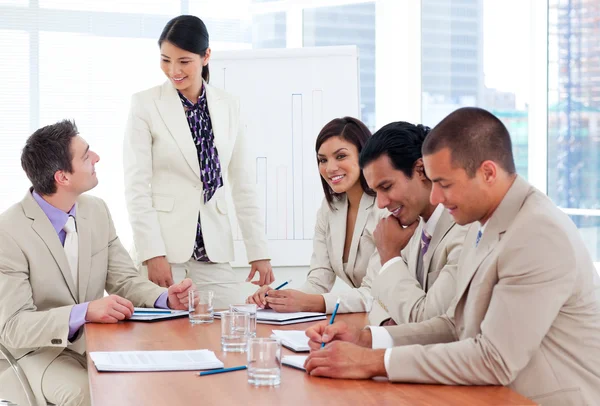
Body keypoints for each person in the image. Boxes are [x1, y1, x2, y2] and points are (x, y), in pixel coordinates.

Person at [303, 107, 600, 406]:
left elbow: (493, 358)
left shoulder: (537, 233)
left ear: (487, 173)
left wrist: (373, 362)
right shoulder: (484, 223)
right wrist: (366, 340)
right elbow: (453, 325)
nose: (435, 198)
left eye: (443, 184)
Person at [0, 120, 194, 406]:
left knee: (159, 380)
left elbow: (124, 279)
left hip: (98, 342)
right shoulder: (9, 230)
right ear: (62, 177)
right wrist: (84, 311)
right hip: (39, 353)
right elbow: (14, 327)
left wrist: (165, 297)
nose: (96, 158)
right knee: (92, 396)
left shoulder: (97, 210)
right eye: (86, 155)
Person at [123, 15, 273, 309]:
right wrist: (152, 254)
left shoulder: (229, 106)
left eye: (184, 61)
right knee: (163, 340)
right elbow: (135, 187)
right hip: (164, 251)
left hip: (212, 251)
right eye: (166, 60)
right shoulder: (145, 105)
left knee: (236, 322)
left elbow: (242, 184)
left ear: (206, 56)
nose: (173, 70)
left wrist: (259, 251)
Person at [246, 117, 385, 314]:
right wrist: (280, 299)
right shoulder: (330, 209)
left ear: (364, 156)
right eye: (322, 160)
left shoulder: (385, 208)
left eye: (341, 156)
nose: (329, 168)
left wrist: (309, 303)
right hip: (364, 319)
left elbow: (374, 293)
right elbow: (319, 280)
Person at [358, 121, 468, 325]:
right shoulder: (409, 227)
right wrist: (386, 322)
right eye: (376, 192)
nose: (381, 203)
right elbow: (372, 296)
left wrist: (390, 256)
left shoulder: (465, 232)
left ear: (421, 170)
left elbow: (427, 322)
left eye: (387, 186)